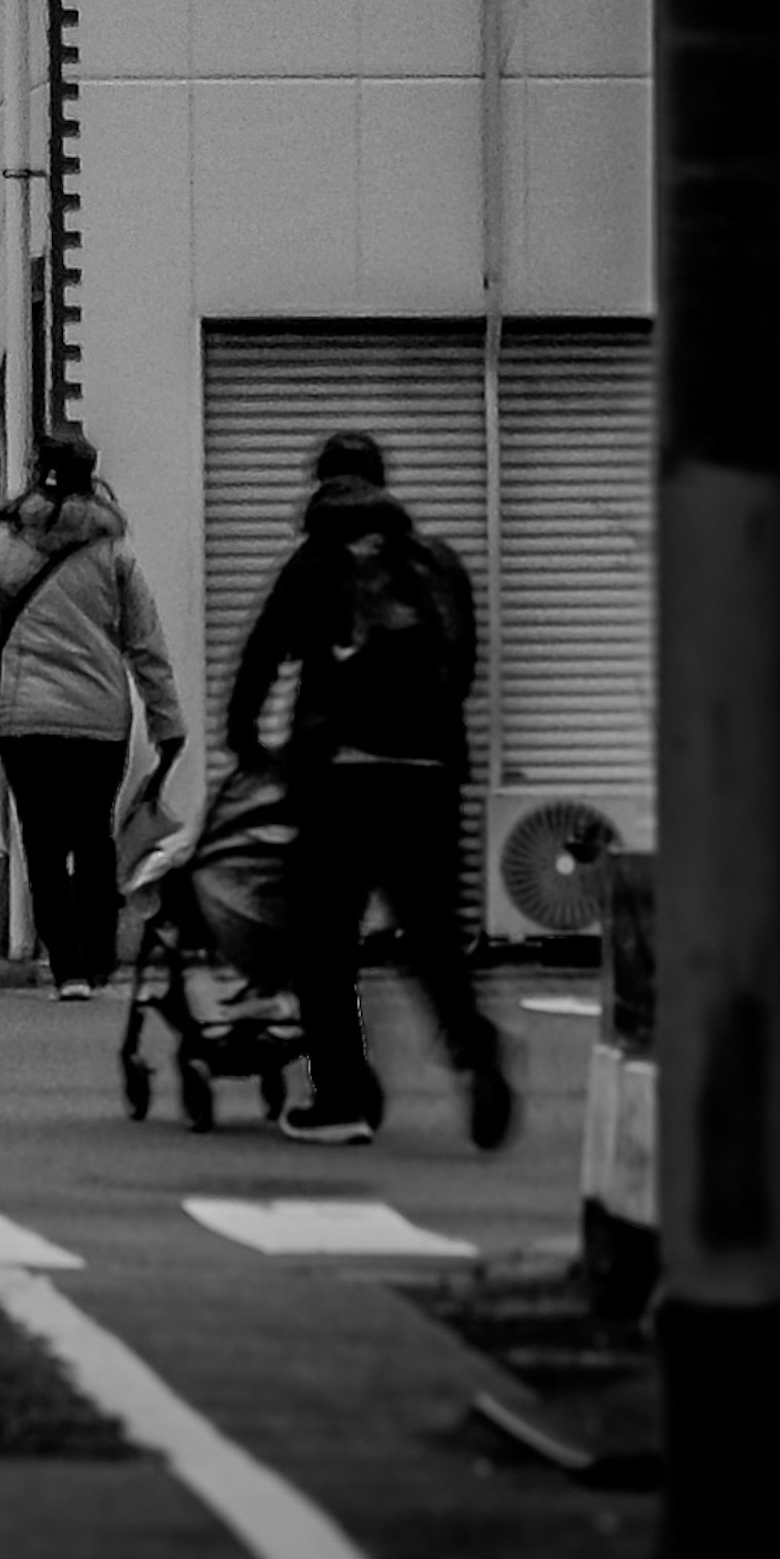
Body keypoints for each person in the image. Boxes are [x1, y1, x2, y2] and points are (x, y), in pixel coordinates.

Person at [221, 427, 513, 1152]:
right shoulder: (438, 563)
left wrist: (247, 739)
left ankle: (344, 1096)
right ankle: (477, 1054)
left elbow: (262, 655)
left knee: (322, 939)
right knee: (433, 932)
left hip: (341, 777)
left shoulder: (313, 562)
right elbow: (462, 665)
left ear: (321, 484)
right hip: (431, 774)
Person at [0, 424, 188, 1001]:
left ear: (37, 472)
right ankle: (99, 955)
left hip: (26, 721)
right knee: (94, 836)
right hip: (100, 720)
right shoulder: (112, 552)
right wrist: (167, 721)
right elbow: (146, 644)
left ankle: (68, 966)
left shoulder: (6, 549)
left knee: (43, 843)